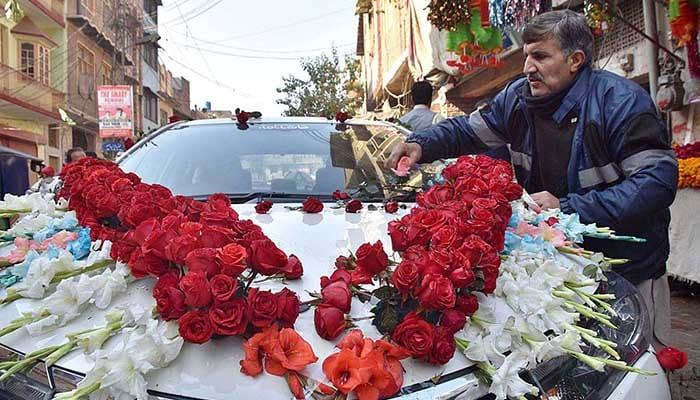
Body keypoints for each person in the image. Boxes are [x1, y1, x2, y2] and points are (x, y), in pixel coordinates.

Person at [384, 10, 677, 350]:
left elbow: (656, 183)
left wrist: (566, 207)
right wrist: (421, 144)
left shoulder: (621, 102)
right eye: (526, 56)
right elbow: (468, 130)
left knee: (633, 365)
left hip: (627, 272)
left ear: (575, 60)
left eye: (540, 56)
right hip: (557, 270)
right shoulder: (518, 98)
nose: (527, 68)